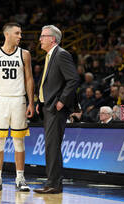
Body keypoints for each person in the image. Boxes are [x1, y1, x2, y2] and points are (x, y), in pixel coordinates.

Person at [0, 23, 34, 192]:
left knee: (19, 140)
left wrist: (31, 102)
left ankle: (20, 178)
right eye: (17, 33)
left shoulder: (24, 54)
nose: (20, 36)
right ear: (7, 35)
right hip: (0, 99)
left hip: (18, 100)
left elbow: (29, 79)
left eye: (20, 33)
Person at [34, 25, 79, 194]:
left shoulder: (61, 54)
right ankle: (51, 183)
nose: (40, 39)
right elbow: (49, 82)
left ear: (52, 39)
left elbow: (73, 79)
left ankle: (54, 184)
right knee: (50, 146)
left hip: (56, 108)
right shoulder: (50, 56)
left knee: (53, 146)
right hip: (48, 107)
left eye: (43, 36)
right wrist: (40, 101)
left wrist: (61, 101)